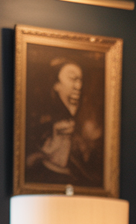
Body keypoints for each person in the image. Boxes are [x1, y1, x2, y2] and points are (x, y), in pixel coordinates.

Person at [25, 59, 104, 188]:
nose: (78, 86)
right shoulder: (41, 122)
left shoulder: (86, 121)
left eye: (80, 81)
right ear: (56, 85)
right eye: (72, 79)